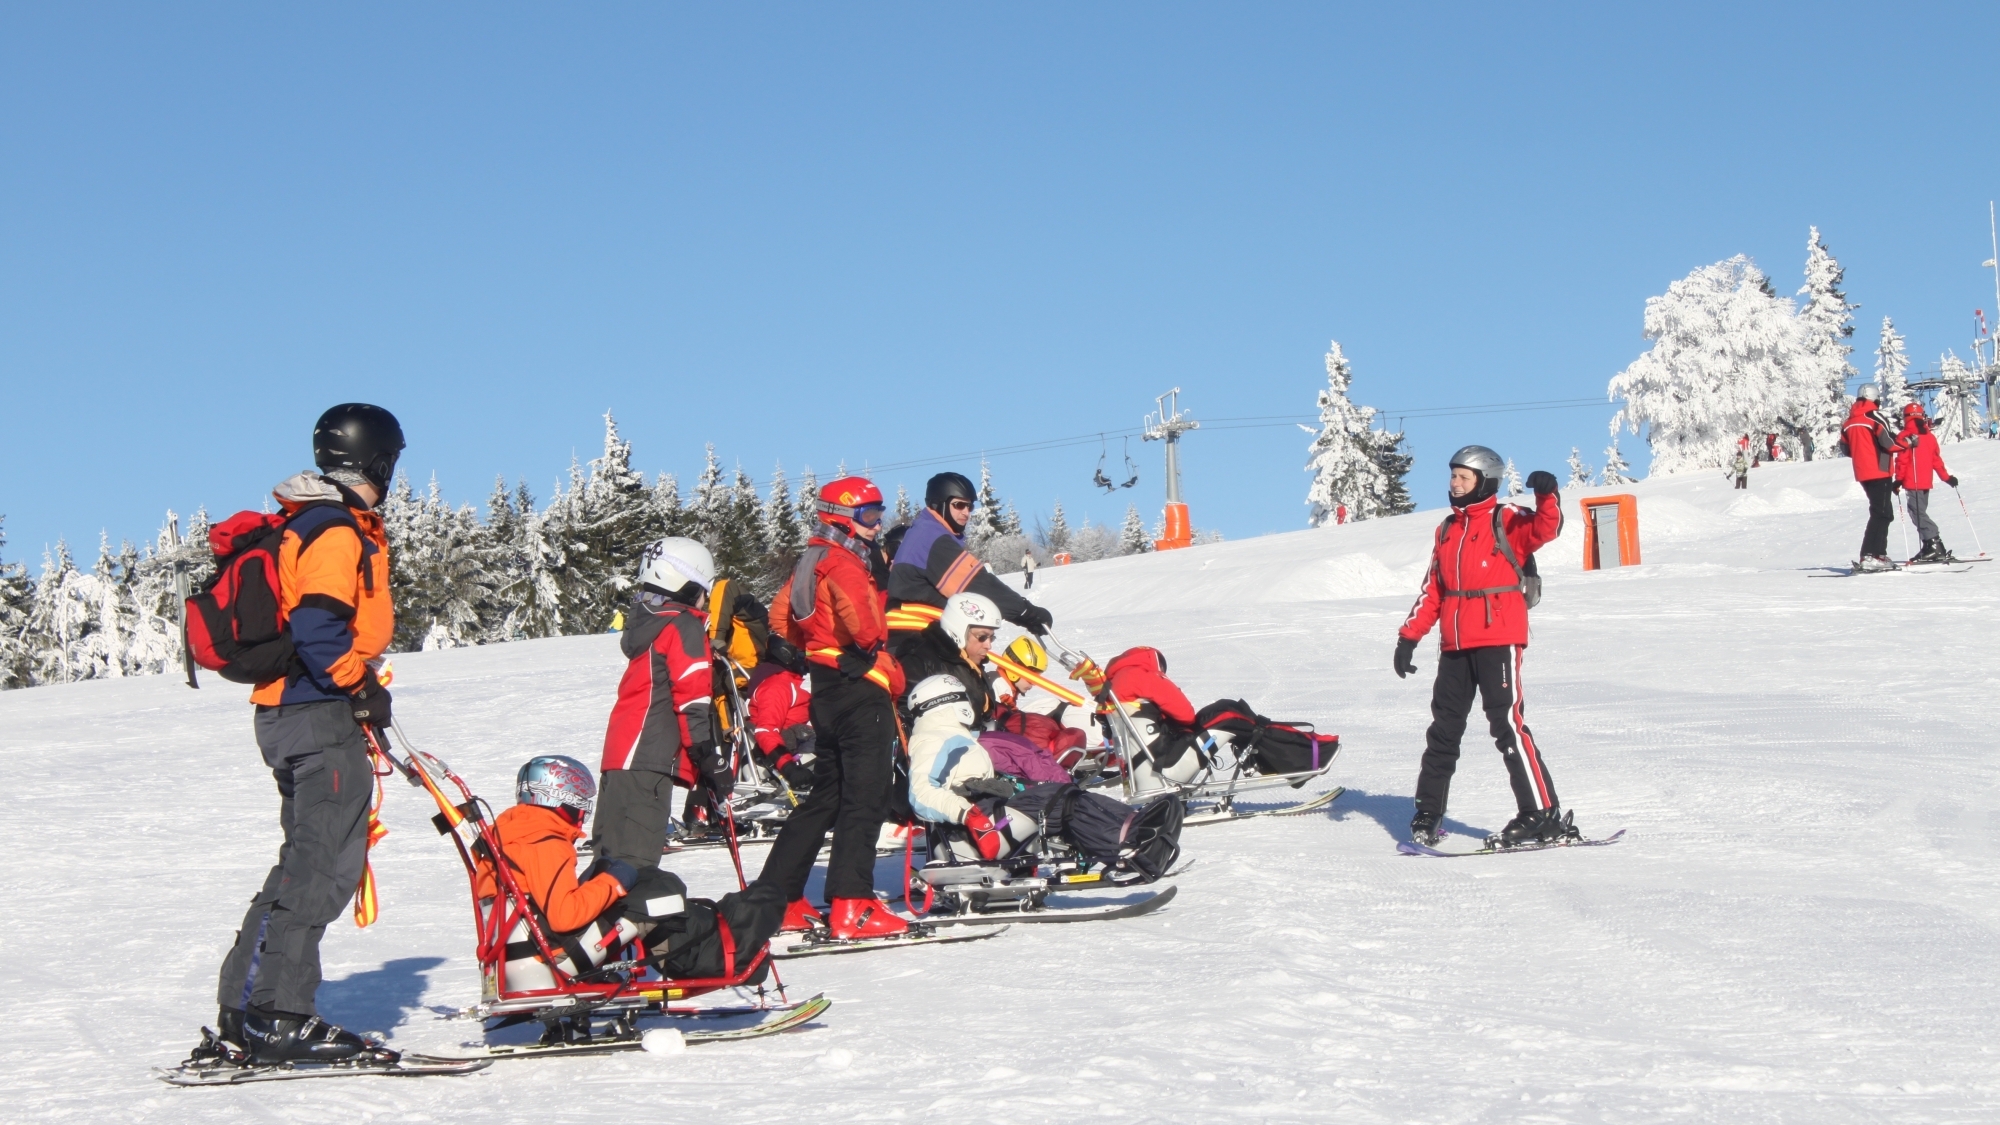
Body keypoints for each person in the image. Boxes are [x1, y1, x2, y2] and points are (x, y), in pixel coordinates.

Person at [207, 404, 404, 1066]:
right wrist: (359, 686)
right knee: (321, 865)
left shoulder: (308, 521)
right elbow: (320, 628)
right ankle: (280, 1014)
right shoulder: (336, 530)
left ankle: (244, 1008)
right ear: (378, 461)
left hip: (288, 711)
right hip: (317, 713)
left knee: (301, 860)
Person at [754, 476, 909, 940]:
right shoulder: (844, 563)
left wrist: (814, 643)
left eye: (880, 512)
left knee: (827, 798)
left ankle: (779, 897)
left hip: (824, 690)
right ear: (840, 516)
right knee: (866, 797)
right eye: (867, 514)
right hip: (859, 687)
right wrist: (872, 636)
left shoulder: (809, 560)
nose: (877, 523)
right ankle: (853, 904)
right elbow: (866, 629)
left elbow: (780, 618)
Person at [478, 755, 783, 990]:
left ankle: (717, 936)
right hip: (546, 958)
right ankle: (729, 953)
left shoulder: (509, 832)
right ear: (562, 798)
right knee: (655, 892)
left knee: (635, 879)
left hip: (514, 956)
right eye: (582, 803)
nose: (583, 814)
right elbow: (564, 916)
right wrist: (614, 882)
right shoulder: (545, 840)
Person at [1394, 445, 1568, 848]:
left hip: (1498, 637)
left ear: (1484, 482)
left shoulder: (1506, 519)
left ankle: (1540, 813)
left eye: (1462, 477)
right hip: (1455, 644)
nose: (1454, 484)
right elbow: (1433, 590)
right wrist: (1409, 636)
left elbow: (1546, 529)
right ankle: (1427, 812)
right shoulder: (1447, 529)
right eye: (1452, 476)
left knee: (1506, 725)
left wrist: (1547, 495)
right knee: (1443, 730)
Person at [904, 676, 1182, 881]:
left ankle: (1136, 828)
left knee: (1062, 794)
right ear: (947, 702)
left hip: (992, 813)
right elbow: (921, 794)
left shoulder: (955, 736)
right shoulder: (932, 738)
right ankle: (1130, 842)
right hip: (985, 823)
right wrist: (968, 813)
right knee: (1058, 797)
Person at [595, 537, 726, 859]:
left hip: (622, 755)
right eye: (703, 591)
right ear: (687, 584)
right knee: (635, 865)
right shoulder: (683, 626)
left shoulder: (651, 622)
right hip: (648, 757)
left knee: (609, 863)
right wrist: (708, 757)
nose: (704, 601)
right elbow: (691, 698)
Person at [887, 472, 1053, 651]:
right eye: (959, 505)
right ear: (938, 504)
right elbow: (978, 586)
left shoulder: (925, 532)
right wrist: (1026, 612)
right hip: (917, 643)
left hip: (919, 639)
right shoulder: (932, 538)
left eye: (970, 506)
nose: (966, 513)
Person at [1843, 384, 1907, 572]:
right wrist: (1907, 443)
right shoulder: (1874, 417)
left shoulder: (1849, 422)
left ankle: (1876, 554)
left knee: (1881, 512)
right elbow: (1889, 442)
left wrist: (1862, 453)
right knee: (1882, 513)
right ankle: (1872, 555)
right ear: (1875, 399)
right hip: (1879, 470)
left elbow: (1846, 449)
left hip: (1862, 472)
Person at [1895, 402, 1960, 563]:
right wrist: (1946, 478)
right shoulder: (1929, 437)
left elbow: (1902, 461)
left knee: (1917, 513)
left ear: (1906, 417)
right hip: (1925, 482)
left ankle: (1934, 544)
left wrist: (1898, 480)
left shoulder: (1905, 436)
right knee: (1920, 512)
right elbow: (1936, 460)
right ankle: (1928, 545)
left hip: (1912, 480)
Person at [747, 653, 817, 792]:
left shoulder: (790, 682)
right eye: (802, 651)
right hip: (783, 755)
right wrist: (788, 768)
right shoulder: (777, 687)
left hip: (801, 744)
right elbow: (766, 731)